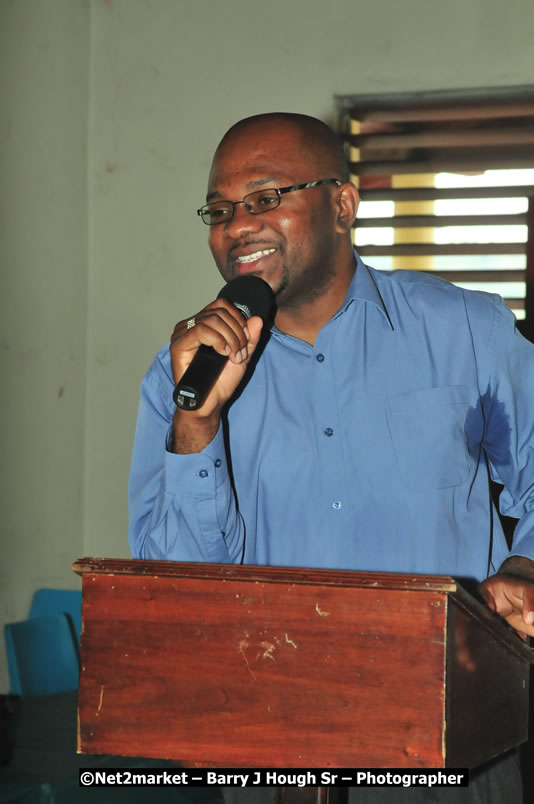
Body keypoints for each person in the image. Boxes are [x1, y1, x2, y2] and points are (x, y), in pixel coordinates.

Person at [129, 113, 534, 803]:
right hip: (271, 746)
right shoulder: (182, 378)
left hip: (450, 740)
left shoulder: (467, 329)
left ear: (342, 204)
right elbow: (179, 591)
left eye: (264, 198)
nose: (236, 227)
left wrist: (523, 569)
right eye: (220, 210)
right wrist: (197, 424)